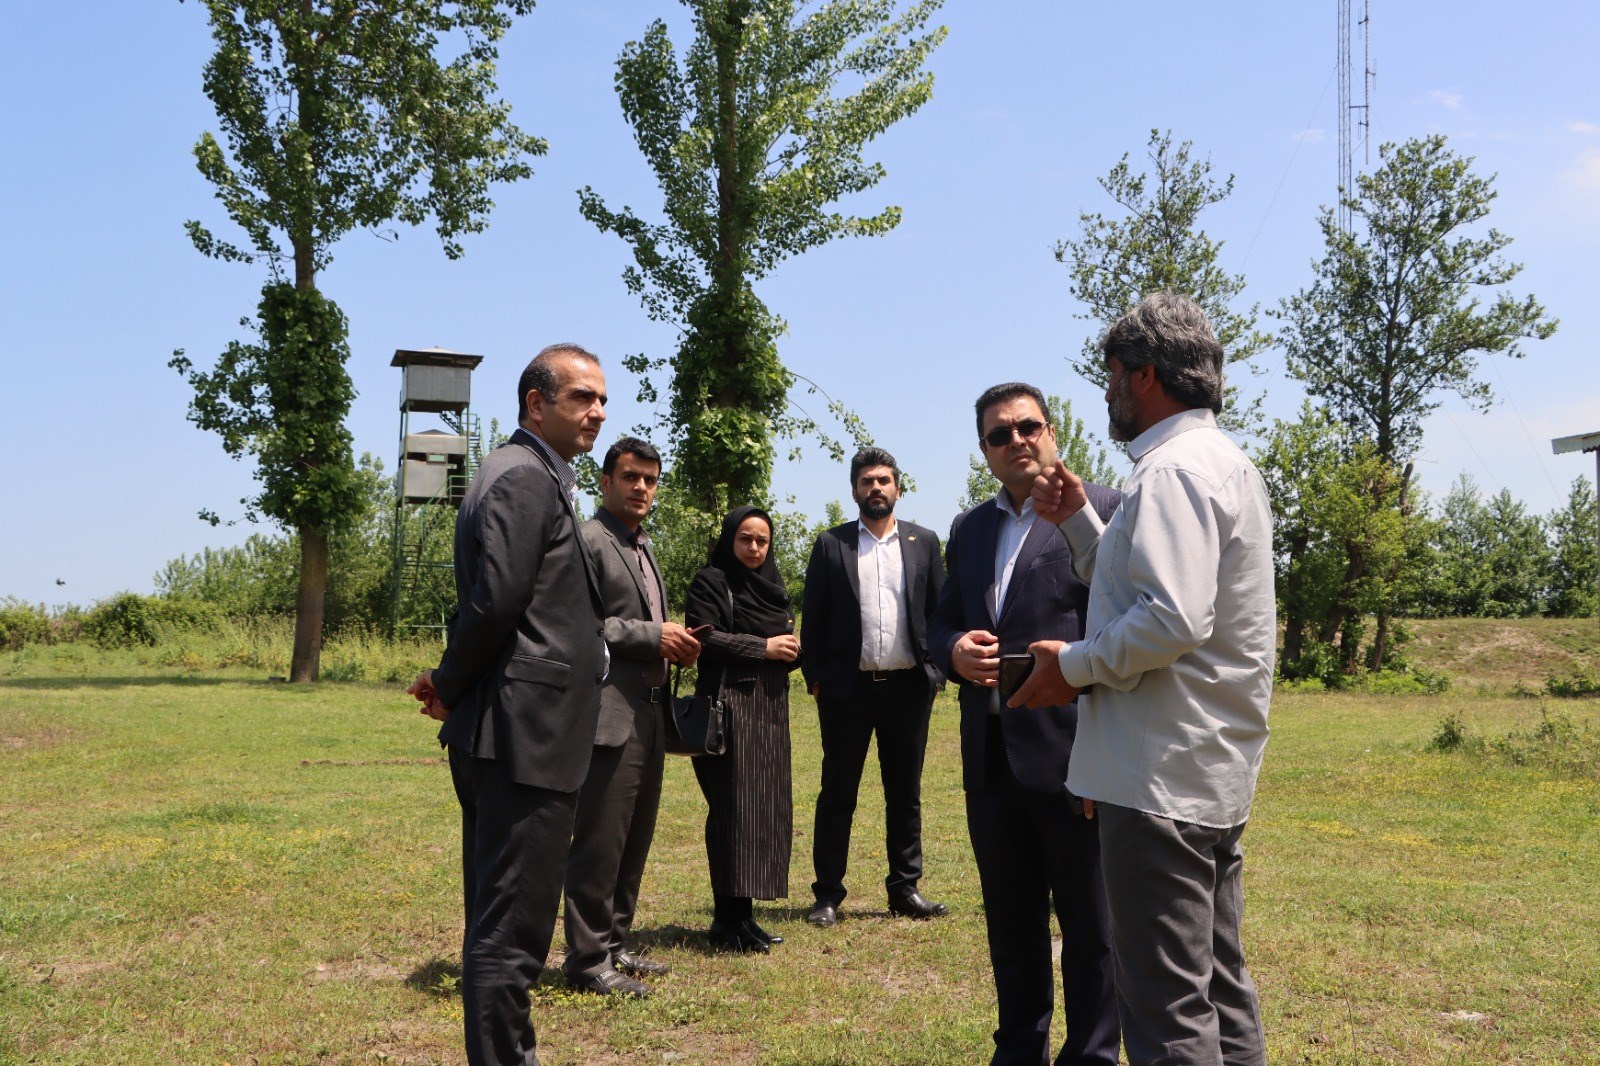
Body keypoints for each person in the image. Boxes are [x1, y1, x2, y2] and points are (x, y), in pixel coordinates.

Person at [1016, 292, 1276, 1066]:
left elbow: (1171, 619)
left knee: (1167, 1013)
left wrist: (1072, 667)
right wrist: (1079, 522)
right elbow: (1148, 591)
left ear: (1146, 375)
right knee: (1218, 990)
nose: (1107, 394)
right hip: (1204, 773)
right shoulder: (1221, 464)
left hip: (1157, 779)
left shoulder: (1172, 472)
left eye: (1112, 376)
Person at [407, 344, 608, 1066]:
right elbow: (496, 605)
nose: (598, 411)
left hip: (521, 732)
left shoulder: (530, 473)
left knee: (506, 921)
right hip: (524, 738)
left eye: (602, 399)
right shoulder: (522, 476)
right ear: (535, 403)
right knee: (509, 935)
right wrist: (450, 684)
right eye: (582, 397)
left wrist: (450, 681)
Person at [929, 382, 1121, 1066]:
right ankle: (1017, 1051)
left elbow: (1126, 632)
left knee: (1092, 930)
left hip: (1076, 758)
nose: (1016, 441)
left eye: (1028, 426)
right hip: (990, 760)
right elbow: (941, 621)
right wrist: (953, 649)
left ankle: (1091, 1055)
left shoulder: (1103, 509)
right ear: (984, 451)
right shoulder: (969, 528)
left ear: (1052, 430)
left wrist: (1107, 761)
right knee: (1011, 927)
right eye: (999, 434)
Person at [563, 437, 701, 999]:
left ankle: (616, 943)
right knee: (600, 840)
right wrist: (653, 636)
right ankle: (587, 960)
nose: (641, 487)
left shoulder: (641, 545)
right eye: (630, 477)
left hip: (649, 713)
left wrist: (677, 644)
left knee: (633, 837)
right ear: (605, 482)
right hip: (608, 712)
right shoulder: (588, 540)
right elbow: (579, 623)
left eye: (650, 479)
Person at [800, 446, 948, 928]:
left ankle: (905, 888)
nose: (876, 488)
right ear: (854, 491)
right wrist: (816, 679)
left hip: (909, 689)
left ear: (898, 488)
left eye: (883, 480)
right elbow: (813, 618)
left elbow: (939, 613)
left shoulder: (924, 542)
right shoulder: (831, 544)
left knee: (905, 792)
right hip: (846, 691)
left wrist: (936, 673)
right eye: (867, 481)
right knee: (837, 792)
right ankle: (827, 895)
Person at [683, 505, 802, 953]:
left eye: (762, 541)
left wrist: (792, 652)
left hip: (768, 711)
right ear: (730, 539)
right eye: (745, 539)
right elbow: (704, 637)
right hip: (728, 710)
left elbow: (780, 645)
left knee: (760, 812)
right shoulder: (711, 581)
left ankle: (744, 917)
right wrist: (764, 648)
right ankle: (725, 920)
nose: (754, 548)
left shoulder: (772, 586)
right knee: (732, 812)